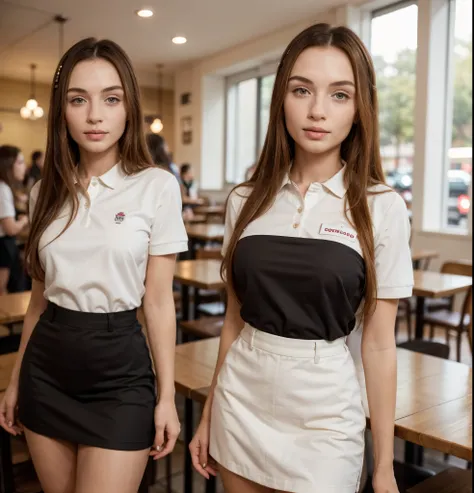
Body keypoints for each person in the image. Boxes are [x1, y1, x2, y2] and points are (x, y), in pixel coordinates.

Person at [189, 23, 413, 493]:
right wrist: (210, 410)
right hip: (241, 402)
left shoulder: (381, 206)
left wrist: (385, 467)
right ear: (281, 100)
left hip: (325, 415)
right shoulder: (245, 200)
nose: (316, 110)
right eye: (301, 89)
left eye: (339, 94)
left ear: (359, 109)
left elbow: (378, 345)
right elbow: (235, 317)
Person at [0, 37, 188, 493]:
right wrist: (16, 380)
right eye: (78, 100)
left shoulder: (156, 187)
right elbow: (40, 302)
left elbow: (160, 304)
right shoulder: (45, 190)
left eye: (111, 98)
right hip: (47, 368)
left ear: (130, 108)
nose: (95, 115)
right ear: (62, 110)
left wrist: (166, 397)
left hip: (120, 373)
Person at [0, 145, 29, 294]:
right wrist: (25, 220)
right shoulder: (3, 188)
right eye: (20, 162)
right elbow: (10, 228)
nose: (24, 167)